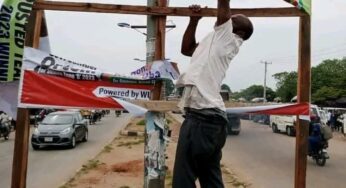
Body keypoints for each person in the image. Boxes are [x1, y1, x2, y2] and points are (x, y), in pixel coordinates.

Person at [172, 1, 253, 187]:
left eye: (231, 20)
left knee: (182, 181)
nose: (225, 19)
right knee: (210, 180)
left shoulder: (229, 39)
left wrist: (224, 13)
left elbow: (223, 12)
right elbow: (186, 49)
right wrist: (194, 20)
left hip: (202, 118)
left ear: (238, 32)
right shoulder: (215, 41)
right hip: (211, 122)